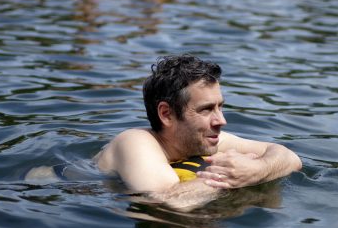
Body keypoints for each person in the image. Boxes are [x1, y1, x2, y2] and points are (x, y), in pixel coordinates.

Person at [95, 54, 302, 210]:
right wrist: (230, 176)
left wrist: (257, 169)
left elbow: (290, 158)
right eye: (206, 109)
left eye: (220, 107)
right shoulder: (134, 142)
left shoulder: (203, 140)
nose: (221, 120)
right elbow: (168, 202)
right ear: (166, 114)